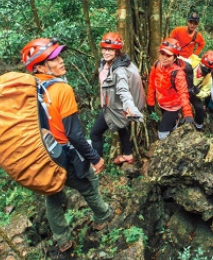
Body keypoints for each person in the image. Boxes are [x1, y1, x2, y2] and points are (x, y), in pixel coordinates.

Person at [21, 38, 113, 253]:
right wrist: (95, 158)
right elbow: (73, 134)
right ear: (40, 66)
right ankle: (103, 216)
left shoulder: (27, 90)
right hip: (63, 154)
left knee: (52, 195)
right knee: (88, 184)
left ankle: (63, 240)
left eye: (59, 56)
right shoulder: (61, 90)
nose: (61, 61)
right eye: (54, 58)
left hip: (40, 154)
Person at [90, 32, 144, 166]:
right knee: (121, 127)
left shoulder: (119, 69)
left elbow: (123, 90)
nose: (106, 52)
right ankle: (128, 154)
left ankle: (97, 163)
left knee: (95, 134)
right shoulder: (107, 63)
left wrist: (130, 108)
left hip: (115, 106)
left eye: (111, 49)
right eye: (104, 48)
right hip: (112, 105)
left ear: (117, 50)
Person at [147, 37, 194, 140]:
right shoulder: (156, 65)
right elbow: (151, 84)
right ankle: (174, 124)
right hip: (161, 103)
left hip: (173, 106)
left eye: (168, 55)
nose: (163, 57)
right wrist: (150, 102)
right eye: (162, 53)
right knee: (170, 123)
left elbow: (183, 93)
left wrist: (187, 113)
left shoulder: (178, 73)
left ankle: (166, 145)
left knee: (162, 133)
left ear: (175, 57)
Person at [188, 50, 213, 131]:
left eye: (209, 68)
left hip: (194, 94)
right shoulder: (192, 63)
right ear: (201, 62)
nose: (206, 69)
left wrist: (198, 92)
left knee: (200, 108)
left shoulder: (208, 79)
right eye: (205, 66)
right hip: (183, 87)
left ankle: (199, 126)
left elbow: (206, 92)